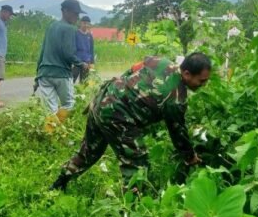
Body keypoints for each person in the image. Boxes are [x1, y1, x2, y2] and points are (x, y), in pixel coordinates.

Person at [49, 53, 212, 192]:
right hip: (119, 117)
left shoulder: (160, 62)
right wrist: (190, 157)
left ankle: (58, 184)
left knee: (89, 152)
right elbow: (178, 134)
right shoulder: (176, 99)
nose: (203, 85)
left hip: (102, 101)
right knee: (137, 165)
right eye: (201, 81)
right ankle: (132, 208)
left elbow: (133, 69)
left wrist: (120, 91)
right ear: (187, 73)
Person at [35, 0, 88, 116]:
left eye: (78, 14)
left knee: (51, 111)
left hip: (44, 74)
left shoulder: (51, 26)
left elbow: (42, 52)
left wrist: (37, 76)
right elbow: (68, 54)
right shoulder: (69, 28)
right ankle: (62, 131)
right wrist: (81, 64)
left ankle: (53, 131)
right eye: (75, 13)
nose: (77, 17)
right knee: (69, 104)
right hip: (61, 74)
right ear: (65, 11)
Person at [73, 15, 94, 84]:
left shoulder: (89, 35)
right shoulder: (76, 34)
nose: (86, 25)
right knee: (72, 80)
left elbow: (91, 49)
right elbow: (73, 48)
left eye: (88, 23)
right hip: (77, 62)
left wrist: (91, 62)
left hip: (87, 62)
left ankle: (81, 94)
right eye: (84, 23)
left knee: (84, 83)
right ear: (81, 23)